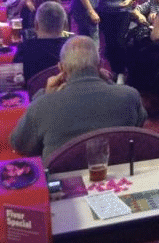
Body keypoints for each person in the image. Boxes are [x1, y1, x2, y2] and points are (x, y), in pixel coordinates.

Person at [10, 36, 147, 161]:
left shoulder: (41, 104)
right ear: (100, 65)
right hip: (122, 181)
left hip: (61, 184)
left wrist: (45, 94)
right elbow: (138, 127)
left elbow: (19, 145)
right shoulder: (130, 96)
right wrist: (109, 83)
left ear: (61, 68)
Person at [13, 1, 69, 82]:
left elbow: (15, 80)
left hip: (33, 94)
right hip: (66, 93)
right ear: (65, 25)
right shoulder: (73, 49)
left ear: (36, 25)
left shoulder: (24, 49)